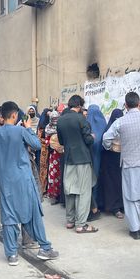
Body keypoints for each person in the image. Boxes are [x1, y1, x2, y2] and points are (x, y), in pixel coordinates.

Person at [0, 101, 59, 266]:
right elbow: (36, 145)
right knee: (33, 211)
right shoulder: (21, 130)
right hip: (22, 178)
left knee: (9, 215)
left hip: (5, 180)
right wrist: (28, 128)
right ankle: (44, 248)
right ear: (14, 115)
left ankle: (12, 254)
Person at [103, 92, 140, 242]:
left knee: (131, 198)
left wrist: (110, 146)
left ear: (126, 105)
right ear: (139, 104)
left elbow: (106, 138)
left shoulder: (120, 122)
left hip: (129, 164)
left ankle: (135, 230)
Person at [57, 95, 98, 233]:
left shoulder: (61, 120)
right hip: (82, 159)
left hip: (69, 159)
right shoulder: (81, 119)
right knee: (84, 192)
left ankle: (70, 221)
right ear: (79, 106)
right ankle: (81, 224)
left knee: (70, 190)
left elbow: (61, 141)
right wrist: (92, 137)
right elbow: (88, 140)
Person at [99, 109, 125, 218]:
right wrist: (111, 147)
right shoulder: (110, 128)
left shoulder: (123, 126)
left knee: (121, 183)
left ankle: (122, 206)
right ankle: (114, 207)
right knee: (112, 184)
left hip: (121, 159)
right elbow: (105, 140)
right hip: (110, 158)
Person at [87, 104, 107, 221]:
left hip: (90, 158)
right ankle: (100, 203)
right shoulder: (103, 123)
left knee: (91, 181)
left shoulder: (87, 124)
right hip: (102, 157)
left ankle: (92, 205)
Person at [45, 111, 63, 204]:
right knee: (53, 174)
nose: (55, 120)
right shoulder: (48, 127)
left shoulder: (61, 126)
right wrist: (53, 145)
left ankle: (61, 196)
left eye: (57, 118)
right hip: (53, 155)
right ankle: (54, 195)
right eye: (53, 118)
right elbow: (46, 140)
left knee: (61, 175)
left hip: (62, 154)